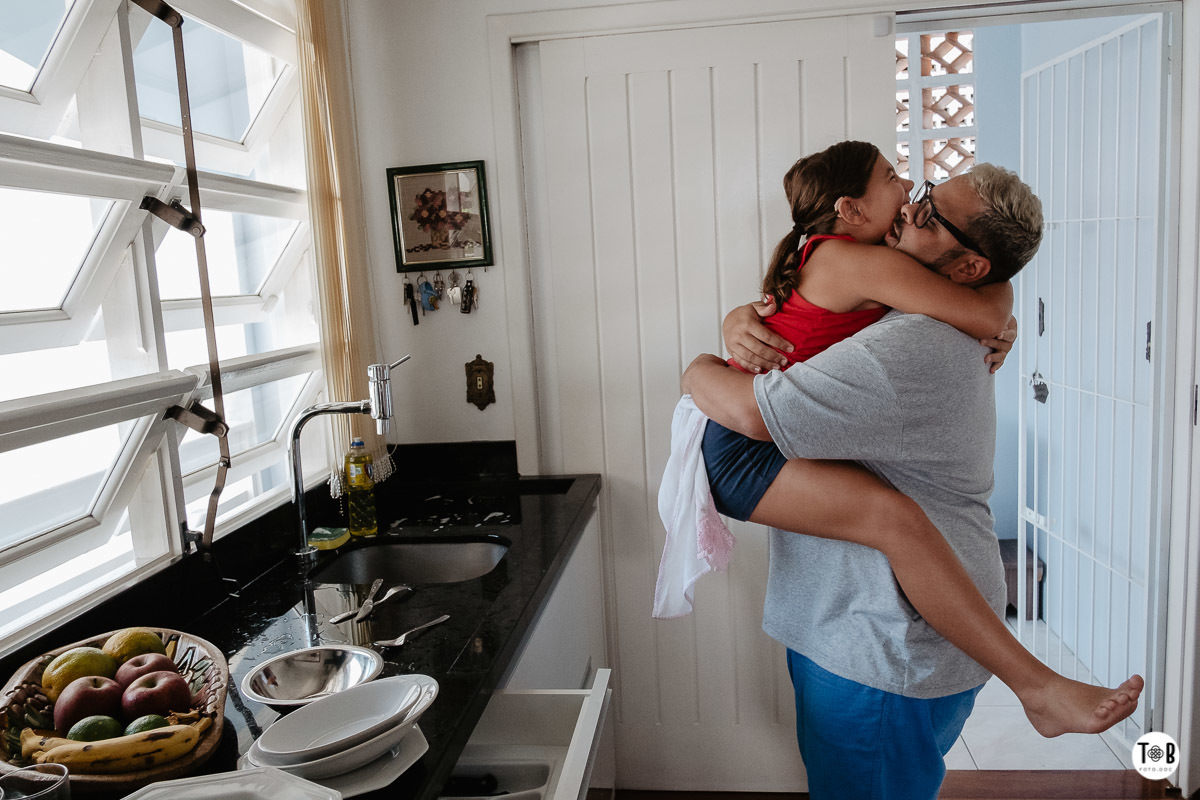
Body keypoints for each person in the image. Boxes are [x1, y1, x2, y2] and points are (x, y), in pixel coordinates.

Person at [681, 162, 1142, 800]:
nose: (906, 208)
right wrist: (739, 320)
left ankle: (1037, 688)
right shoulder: (901, 304)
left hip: (884, 642)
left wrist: (696, 369)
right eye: (920, 192)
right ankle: (1034, 684)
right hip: (870, 622)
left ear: (969, 267)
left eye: (928, 212)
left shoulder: (911, 345)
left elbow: (750, 414)